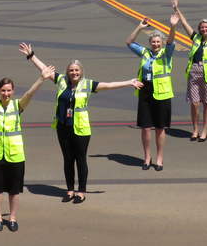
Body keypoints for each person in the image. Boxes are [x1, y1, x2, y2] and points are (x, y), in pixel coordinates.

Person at [19, 43, 143, 203]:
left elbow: (108, 85)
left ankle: (81, 191)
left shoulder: (88, 84)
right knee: (67, 159)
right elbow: (44, 70)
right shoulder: (61, 80)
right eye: (71, 70)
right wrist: (31, 56)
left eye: (76, 70)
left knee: (80, 159)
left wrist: (129, 82)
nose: (74, 73)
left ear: (81, 72)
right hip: (62, 126)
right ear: (67, 72)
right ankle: (70, 190)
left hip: (81, 129)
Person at [0, 50, 52, 232]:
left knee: (14, 189)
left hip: (15, 155)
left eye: (9, 90)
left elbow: (30, 94)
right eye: (3, 90)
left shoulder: (17, 105)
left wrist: (41, 79)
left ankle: (12, 218)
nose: (6, 93)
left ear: (13, 91)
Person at [126, 14, 178, 170]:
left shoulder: (166, 54)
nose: (155, 44)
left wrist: (173, 26)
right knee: (145, 127)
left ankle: (160, 158)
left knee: (160, 128)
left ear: (161, 43)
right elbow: (129, 42)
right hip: (145, 92)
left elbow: (170, 41)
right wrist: (140, 27)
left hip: (162, 93)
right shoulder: (145, 53)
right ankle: (147, 157)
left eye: (158, 42)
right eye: (153, 42)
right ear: (150, 43)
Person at [172, 0, 207, 142]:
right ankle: (195, 129)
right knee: (194, 103)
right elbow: (184, 23)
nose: (204, 29)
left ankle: (205, 131)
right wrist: (176, 8)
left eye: (206, 27)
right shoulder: (196, 38)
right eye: (202, 27)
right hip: (194, 72)